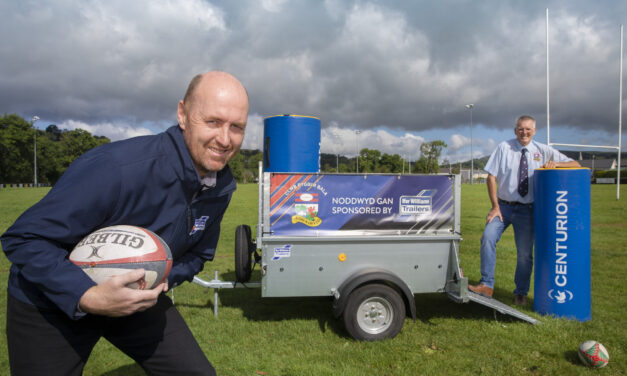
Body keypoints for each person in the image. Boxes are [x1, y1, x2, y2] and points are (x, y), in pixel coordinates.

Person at [1, 71, 249, 375]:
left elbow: (198, 255)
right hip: (51, 300)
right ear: (183, 114)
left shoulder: (220, 187)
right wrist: (86, 295)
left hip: (137, 298)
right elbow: (24, 237)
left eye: (236, 127)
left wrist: (163, 278)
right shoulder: (117, 168)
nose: (225, 139)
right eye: (212, 122)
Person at [468, 115, 580, 306]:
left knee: (524, 254)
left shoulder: (542, 150)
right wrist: (495, 206)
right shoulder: (504, 147)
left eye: (528, 129)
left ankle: (520, 293)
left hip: (527, 210)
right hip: (502, 207)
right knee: (487, 238)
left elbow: (575, 164)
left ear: (534, 131)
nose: (524, 132)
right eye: (520, 129)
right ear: (515, 131)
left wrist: (556, 163)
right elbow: (491, 177)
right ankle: (487, 285)